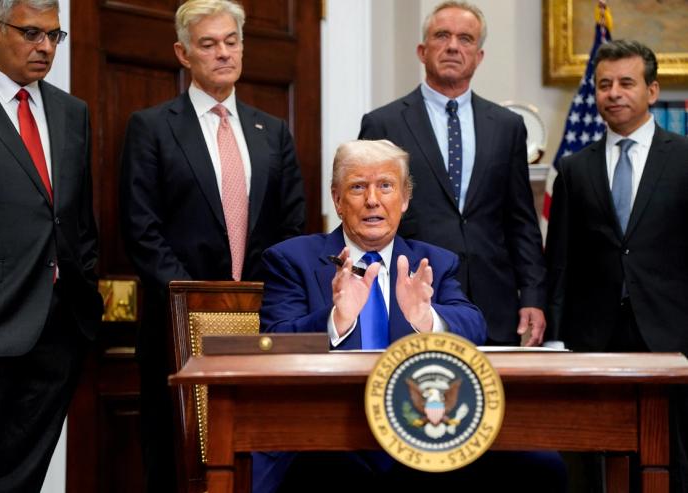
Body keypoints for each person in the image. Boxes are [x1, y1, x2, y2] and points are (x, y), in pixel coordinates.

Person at [118, 0, 305, 490]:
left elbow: (291, 228)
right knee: (177, 462)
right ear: (183, 53)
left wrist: (271, 301)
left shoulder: (273, 131)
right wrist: (198, 301)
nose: (223, 53)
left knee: (254, 458)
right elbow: (142, 229)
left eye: (232, 41)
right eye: (208, 44)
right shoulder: (152, 127)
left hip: (262, 326)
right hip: (176, 328)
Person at [257, 139, 485, 493]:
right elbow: (275, 344)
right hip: (325, 432)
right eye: (358, 187)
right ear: (337, 199)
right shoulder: (291, 259)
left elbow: (474, 327)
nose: (373, 200)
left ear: (405, 198)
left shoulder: (435, 263)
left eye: (386, 186)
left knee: (538, 466)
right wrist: (336, 320)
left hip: (418, 427)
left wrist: (426, 320)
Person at [0, 0, 103, 491]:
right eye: (31, 33)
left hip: (57, 332)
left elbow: (78, 221)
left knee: (21, 479)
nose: (45, 48)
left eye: (54, 37)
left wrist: (84, 296)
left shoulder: (71, 112)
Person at [359, 1, 546, 347]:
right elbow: (369, 215)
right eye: (442, 36)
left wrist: (533, 295)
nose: (453, 46)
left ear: (479, 55)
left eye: (466, 38)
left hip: (494, 300)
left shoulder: (508, 127)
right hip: (413, 293)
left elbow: (521, 220)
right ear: (422, 50)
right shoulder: (383, 123)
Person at [546, 39, 688, 492]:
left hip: (672, 333)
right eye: (604, 84)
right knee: (592, 460)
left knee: (674, 456)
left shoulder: (684, 159)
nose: (613, 93)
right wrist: (554, 334)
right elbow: (561, 263)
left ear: (651, 90)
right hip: (595, 336)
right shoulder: (573, 168)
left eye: (626, 82)